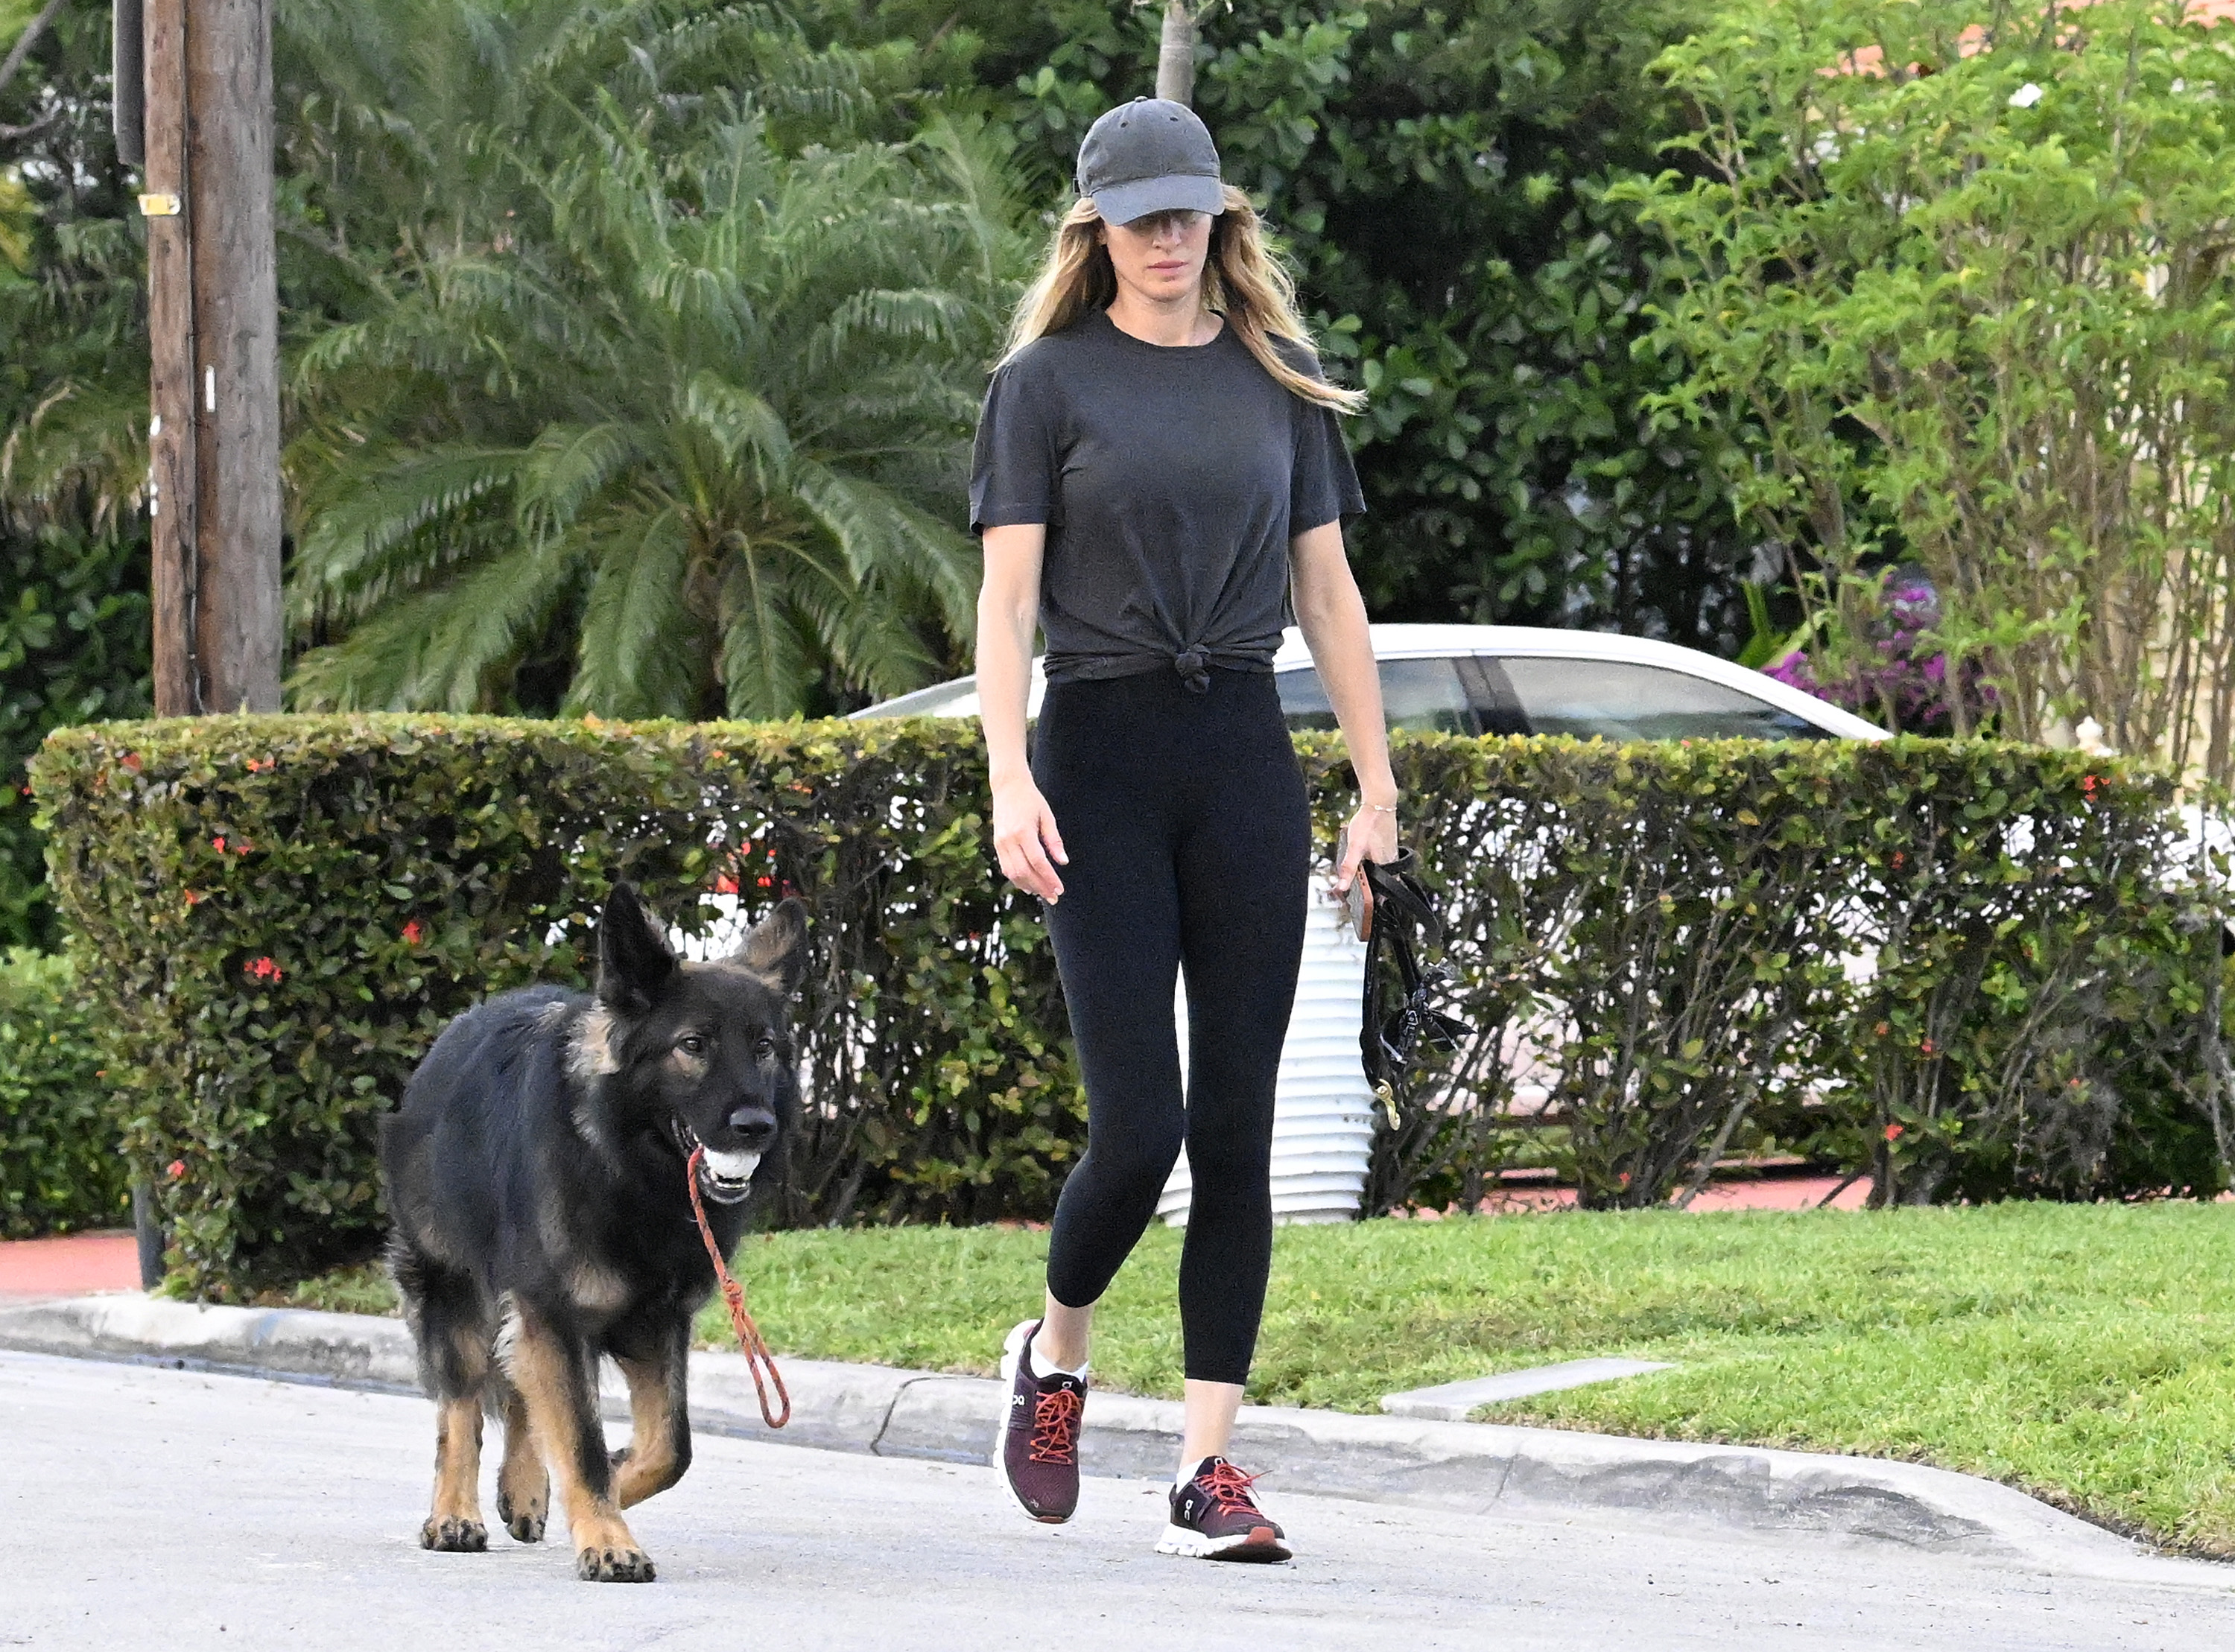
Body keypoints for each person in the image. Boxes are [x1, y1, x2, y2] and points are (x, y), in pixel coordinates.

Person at [971, 96, 1399, 1563]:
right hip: (1092, 750)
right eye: (1141, 215)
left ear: (1223, 215)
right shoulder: (1044, 386)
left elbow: (1331, 598)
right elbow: (1006, 604)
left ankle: (1206, 1469)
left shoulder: (1277, 382)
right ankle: (1057, 1352)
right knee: (1138, 1123)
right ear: (1096, 228)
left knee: (1236, 1131)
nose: (1169, 238)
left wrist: (1375, 788)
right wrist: (1006, 774)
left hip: (1238, 753)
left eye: (1189, 211)